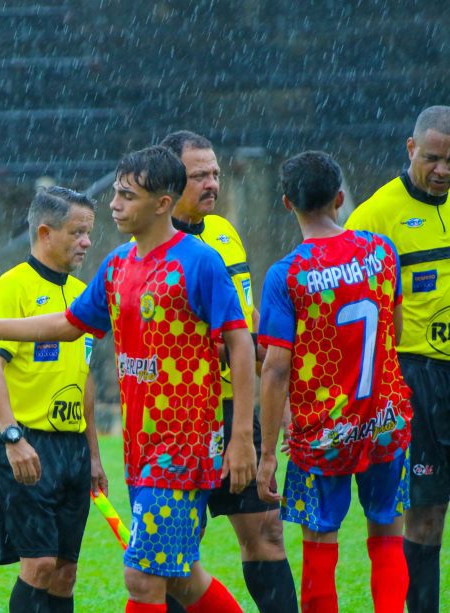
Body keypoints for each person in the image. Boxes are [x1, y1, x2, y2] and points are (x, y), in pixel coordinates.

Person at [0, 146, 256, 613]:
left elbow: (240, 344)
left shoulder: (198, 262)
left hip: (184, 444)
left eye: (126, 195)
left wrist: (242, 437)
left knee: (141, 577)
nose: (114, 204)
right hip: (141, 448)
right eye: (116, 192)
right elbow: (65, 324)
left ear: (161, 204)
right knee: (181, 578)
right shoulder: (118, 266)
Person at [257, 151, 412, 612]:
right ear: (340, 198)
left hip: (322, 433)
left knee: (320, 539)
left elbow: (276, 367)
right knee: (387, 531)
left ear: (287, 203)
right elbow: (395, 332)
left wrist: (268, 454)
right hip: (384, 420)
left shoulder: (287, 275)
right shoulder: (381, 251)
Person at [158, 131, 296, 613]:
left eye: (214, 172)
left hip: (236, 408)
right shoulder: (153, 245)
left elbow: (247, 324)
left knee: (267, 532)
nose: (211, 183)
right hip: (181, 419)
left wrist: (286, 393)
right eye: (199, 175)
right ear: (169, 183)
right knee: (171, 558)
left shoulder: (223, 232)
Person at [0, 186, 108, 613]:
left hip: (71, 447)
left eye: (89, 233)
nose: (87, 242)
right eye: (77, 232)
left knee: (65, 574)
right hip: (25, 441)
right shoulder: (12, 286)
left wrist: (92, 454)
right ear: (45, 232)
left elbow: (84, 376)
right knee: (38, 565)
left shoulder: (84, 295)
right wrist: (12, 437)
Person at [344, 105, 450, 613]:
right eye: (432, 158)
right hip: (418, 378)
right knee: (426, 513)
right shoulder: (374, 217)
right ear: (411, 149)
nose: (443, 170)